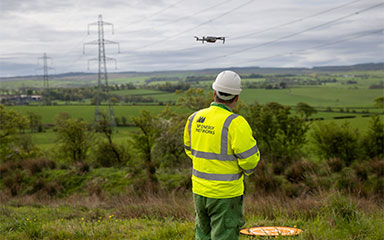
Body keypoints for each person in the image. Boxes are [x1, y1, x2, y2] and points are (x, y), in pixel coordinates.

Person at [184, 70, 260, 240]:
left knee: (203, 234)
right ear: (236, 98)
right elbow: (250, 161)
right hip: (226, 194)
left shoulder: (194, 118)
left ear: (214, 93)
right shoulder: (236, 123)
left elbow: (190, 150)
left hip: (199, 190)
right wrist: (243, 171)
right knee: (225, 235)